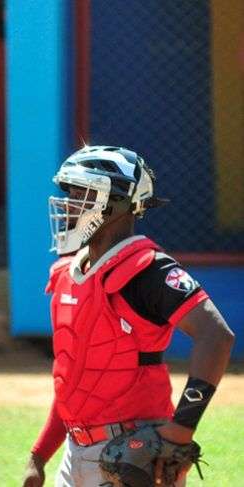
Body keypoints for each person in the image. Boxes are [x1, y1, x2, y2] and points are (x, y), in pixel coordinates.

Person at [22, 146, 235, 487]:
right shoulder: (67, 273)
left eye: (81, 193)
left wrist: (181, 429)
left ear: (115, 203)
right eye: (70, 193)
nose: (69, 204)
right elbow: (74, 379)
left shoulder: (146, 268)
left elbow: (217, 336)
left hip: (132, 454)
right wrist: (39, 454)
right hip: (74, 453)